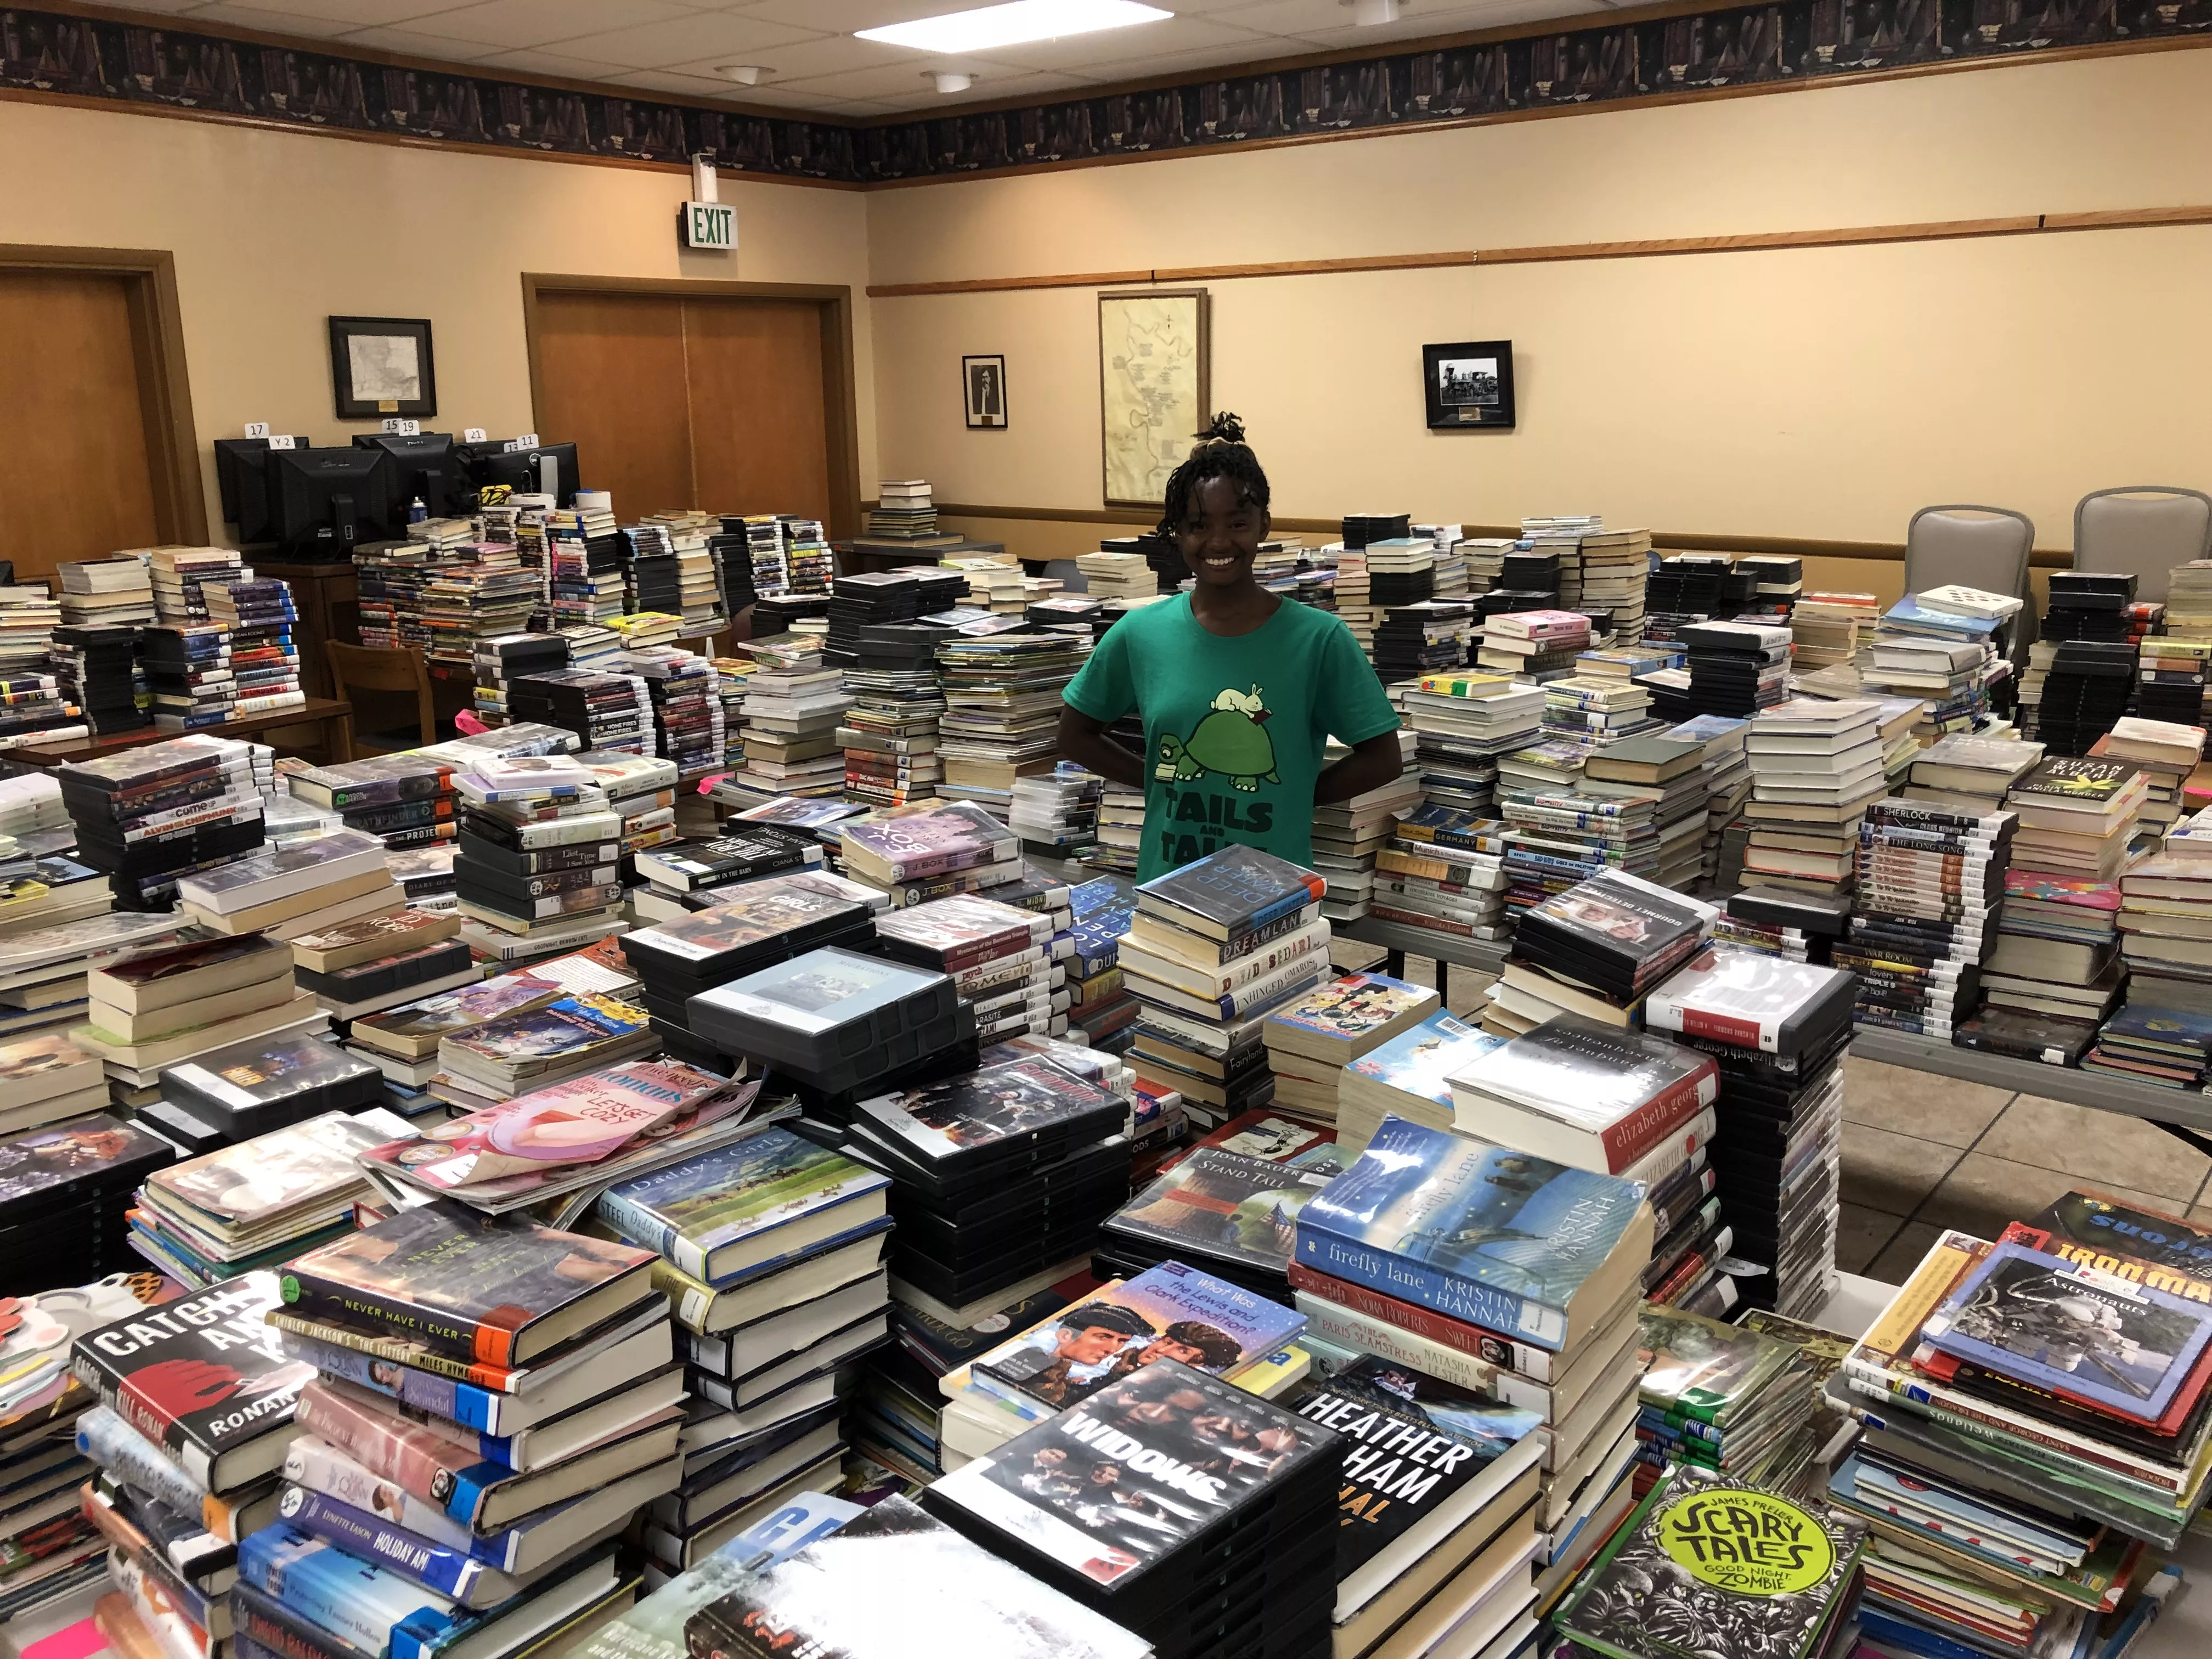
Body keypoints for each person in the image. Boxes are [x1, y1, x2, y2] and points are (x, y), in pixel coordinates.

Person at [1058, 414, 1403, 882]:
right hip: (1168, 882)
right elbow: (1074, 735)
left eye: (1238, 523)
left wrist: (1298, 794)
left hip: (1273, 886)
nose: (1219, 542)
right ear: (1176, 533)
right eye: (1199, 525)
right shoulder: (1140, 633)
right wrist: (1161, 782)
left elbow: (1383, 758)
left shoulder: (1320, 640)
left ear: (1264, 525)